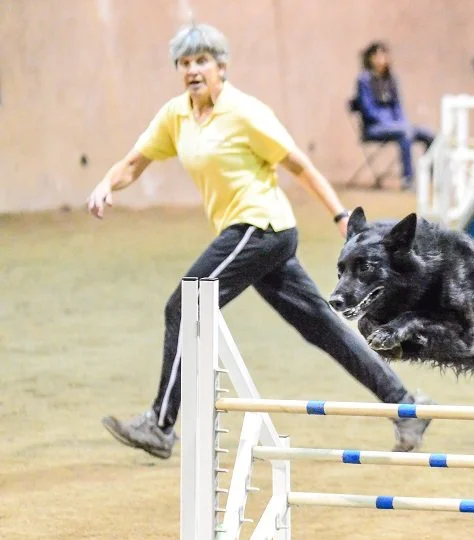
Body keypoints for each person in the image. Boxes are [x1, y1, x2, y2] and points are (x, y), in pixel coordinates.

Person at [87, 23, 432, 459]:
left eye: (203, 61)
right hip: (253, 236)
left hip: (261, 227)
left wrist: (340, 214)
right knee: (322, 327)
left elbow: (299, 165)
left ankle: (160, 423)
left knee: (185, 303)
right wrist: (106, 183)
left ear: (222, 66)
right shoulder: (175, 116)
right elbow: (135, 163)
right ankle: (405, 405)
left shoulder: (245, 112)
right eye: (185, 62)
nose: (194, 70)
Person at [354, 40, 435, 190]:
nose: (381, 58)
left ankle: (434, 178)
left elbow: (397, 107)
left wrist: (402, 122)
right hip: (374, 128)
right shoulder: (364, 80)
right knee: (405, 134)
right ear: (370, 58)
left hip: (397, 126)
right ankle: (408, 180)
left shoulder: (391, 79)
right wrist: (393, 124)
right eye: (377, 55)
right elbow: (368, 109)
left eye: (384, 54)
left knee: (428, 134)